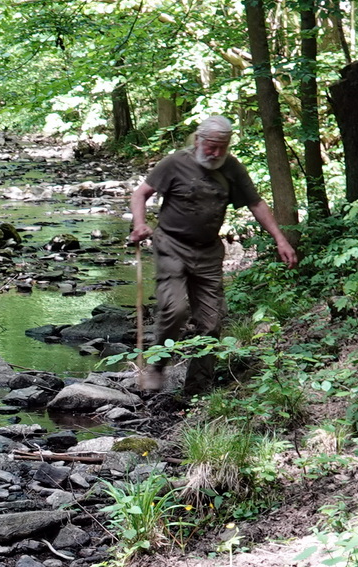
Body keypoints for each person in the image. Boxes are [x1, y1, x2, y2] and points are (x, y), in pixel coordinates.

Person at [126, 115, 299, 393]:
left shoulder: (232, 168)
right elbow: (140, 194)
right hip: (171, 246)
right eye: (211, 146)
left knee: (211, 322)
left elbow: (255, 203)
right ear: (198, 140)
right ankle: (157, 365)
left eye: (223, 147)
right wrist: (140, 223)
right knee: (175, 309)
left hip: (208, 252)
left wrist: (280, 239)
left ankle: (197, 389)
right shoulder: (175, 163)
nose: (216, 153)